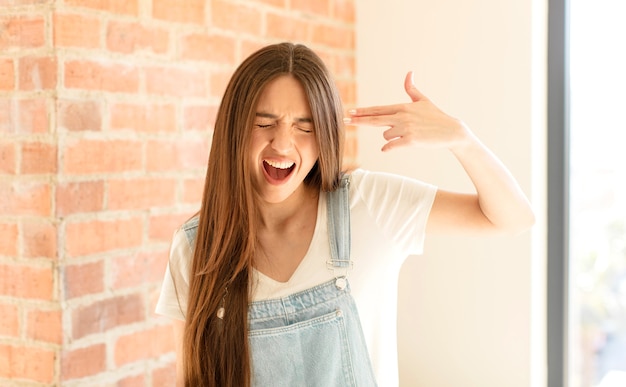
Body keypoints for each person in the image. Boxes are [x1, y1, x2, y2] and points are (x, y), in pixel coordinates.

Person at [155, 42, 535, 387]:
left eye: (305, 127)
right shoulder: (196, 246)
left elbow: (513, 218)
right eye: (264, 123)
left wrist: (460, 139)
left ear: (325, 137)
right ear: (233, 127)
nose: (283, 143)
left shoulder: (369, 205)